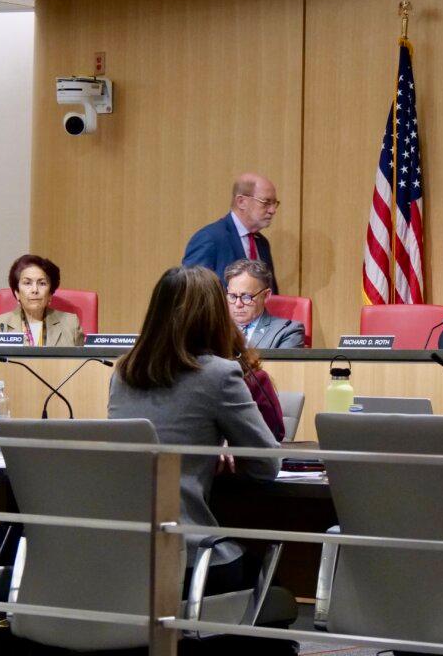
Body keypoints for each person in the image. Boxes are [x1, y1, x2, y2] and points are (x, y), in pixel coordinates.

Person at [107, 266, 280, 595]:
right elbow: (267, 464)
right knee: (273, 586)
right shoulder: (219, 374)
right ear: (215, 315)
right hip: (190, 559)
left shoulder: (123, 374)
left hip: (126, 556)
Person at [183, 173, 281, 291]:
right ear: (241, 202)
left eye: (274, 203)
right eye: (266, 202)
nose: (272, 210)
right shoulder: (210, 238)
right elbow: (192, 293)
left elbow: (270, 293)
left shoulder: (262, 243)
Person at [0, 254, 83, 346]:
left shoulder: (70, 324)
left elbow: (84, 359)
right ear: (17, 293)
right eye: (27, 283)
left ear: (50, 293)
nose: (35, 290)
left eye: (42, 283)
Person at [224, 259, 304, 349]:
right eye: (232, 296)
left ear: (266, 295)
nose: (238, 304)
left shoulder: (287, 331)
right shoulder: (215, 328)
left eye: (246, 297)